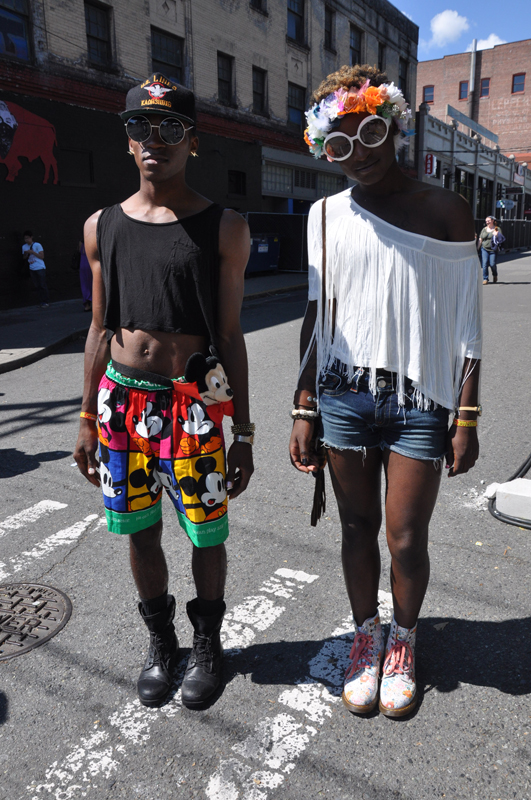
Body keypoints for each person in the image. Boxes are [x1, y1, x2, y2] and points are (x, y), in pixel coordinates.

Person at [290, 65, 482, 718]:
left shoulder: (445, 210)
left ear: (393, 125)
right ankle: (363, 633)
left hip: (418, 405)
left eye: (369, 132)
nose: (357, 153)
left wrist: (466, 414)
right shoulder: (322, 216)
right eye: (337, 143)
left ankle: (402, 638)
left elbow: (465, 324)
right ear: (324, 149)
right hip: (342, 396)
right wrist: (302, 404)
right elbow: (318, 316)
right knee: (353, 527)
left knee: (403, 537)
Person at [74, 73, 254, 709]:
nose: (156, 140)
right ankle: (162, 642)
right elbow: (99, 327)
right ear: (127, 142)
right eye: (140, 128)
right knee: (138, 530)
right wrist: (86, 419)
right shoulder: (102, 226)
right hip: (123, 403)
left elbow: (230, 337)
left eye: (171, 128)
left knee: (206, 533)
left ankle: (208, 645)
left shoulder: (224, 227)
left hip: (192, 407)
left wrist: (246, 432)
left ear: (193, 141)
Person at [22, 230, 49, 307]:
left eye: (27, 238)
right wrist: (26, 254)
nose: (26, 240)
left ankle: (46, 301)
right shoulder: (24, 247)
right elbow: (24, 258)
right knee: (37, 285)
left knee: (42, 285)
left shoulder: (37, 245)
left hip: (40, 267)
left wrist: (32, 252)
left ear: (31, 237)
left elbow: (42, 256)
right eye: (25, 239)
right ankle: (41, 301)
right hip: (31, 268)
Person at [478, 215, 503, 284]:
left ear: (492, 221)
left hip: (493, 249)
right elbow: (480, 239)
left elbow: (501, 239)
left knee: (492, 264)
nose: (487, 222)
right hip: (484, 249)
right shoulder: (484, 229)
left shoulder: (497, 229)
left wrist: (497, 235)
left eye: (488, 221)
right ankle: (485, 279)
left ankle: (495, 275)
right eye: (486, 221)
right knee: (485, 264)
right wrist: (478, 248)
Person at [79, 240, 92, 311]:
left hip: (82, 263)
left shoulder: (81, 242)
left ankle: (86, 305)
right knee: (93, 283)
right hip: (90, 263)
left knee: (84, 284)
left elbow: (79, 250)